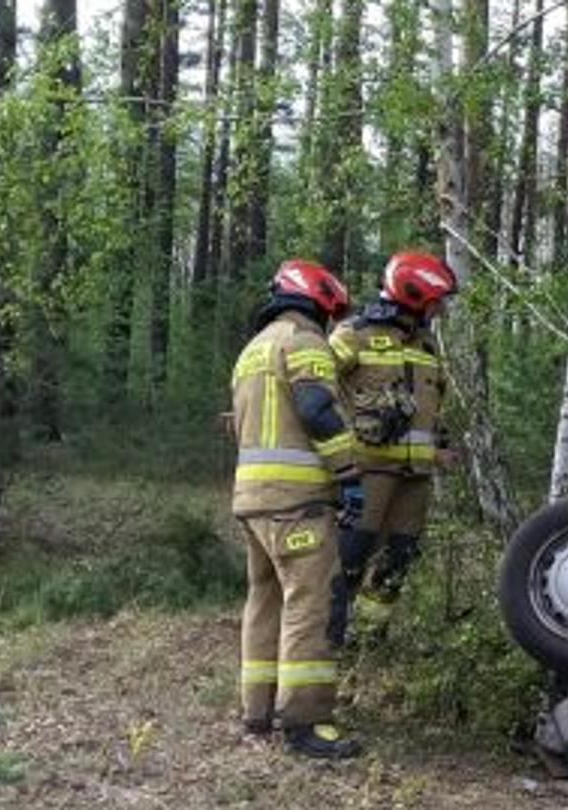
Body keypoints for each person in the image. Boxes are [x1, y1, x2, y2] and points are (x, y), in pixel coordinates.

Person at [229, 259, 366, 759]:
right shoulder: (305, 342)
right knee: (311, 604)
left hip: (253, 500)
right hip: (298, 500)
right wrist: (349, 476)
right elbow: (314, 409)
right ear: (319, 301)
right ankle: (305, 722)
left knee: (263, 601)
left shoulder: (251, 350)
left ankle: (257, 713)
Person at [326, 251, 457, 647]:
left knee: (397, 561)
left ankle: (367, 641)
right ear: (415, 294)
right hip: (366, 472)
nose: (439, 310)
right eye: (436, 301)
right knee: (349, 558)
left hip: (415, 478)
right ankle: (325, 640)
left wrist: (443, 447)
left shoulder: (428, 347)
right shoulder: (354, 334)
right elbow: (314, 385)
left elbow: (434, 408)